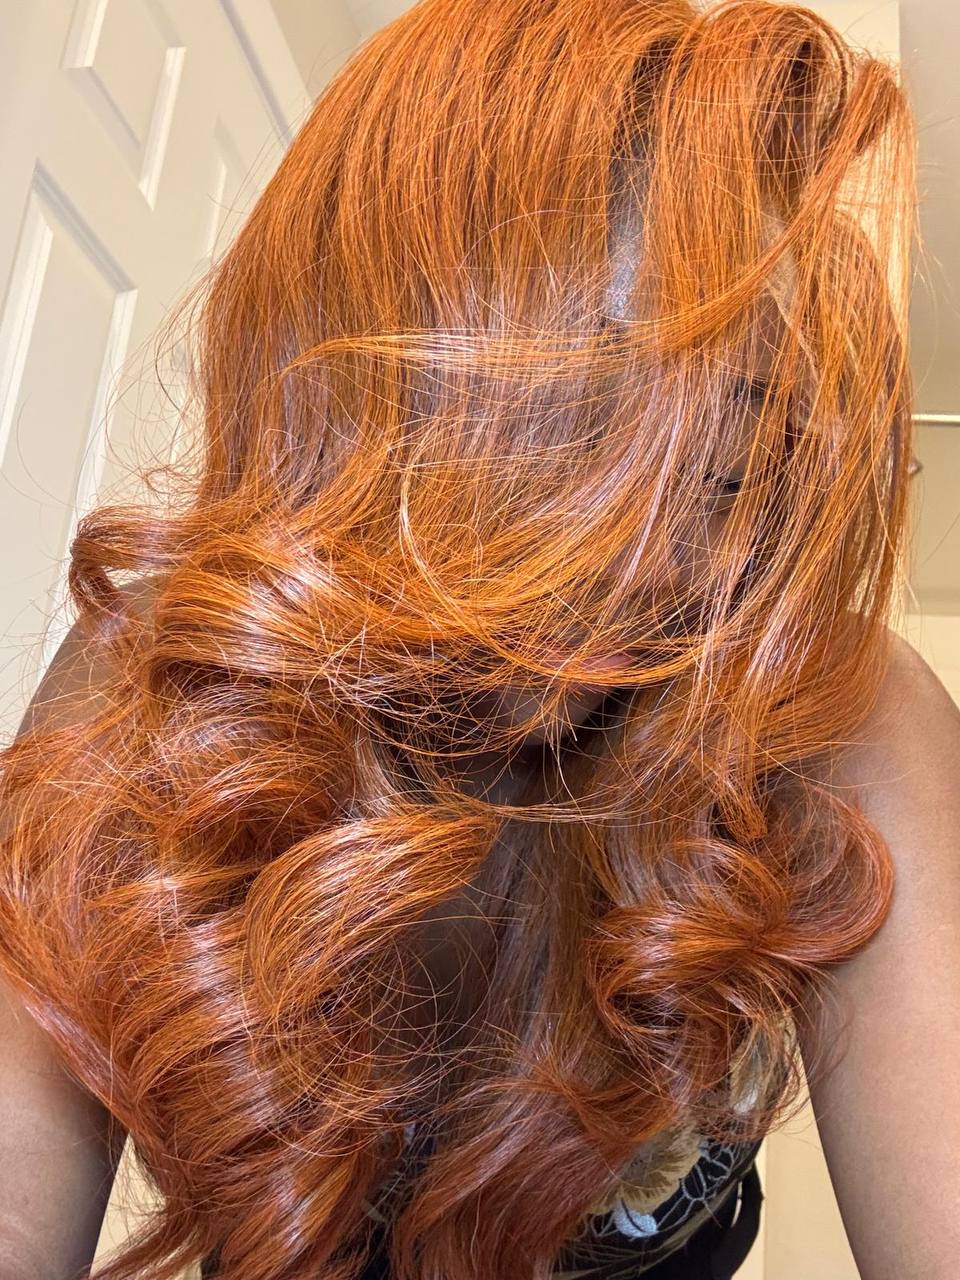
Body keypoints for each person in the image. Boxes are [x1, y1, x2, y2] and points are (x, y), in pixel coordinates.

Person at [0, 1, 956, 1278]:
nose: (659, 570)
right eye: (578, 428)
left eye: (733, 463)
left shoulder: (827, 712)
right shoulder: (159, 671)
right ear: (369, 391)